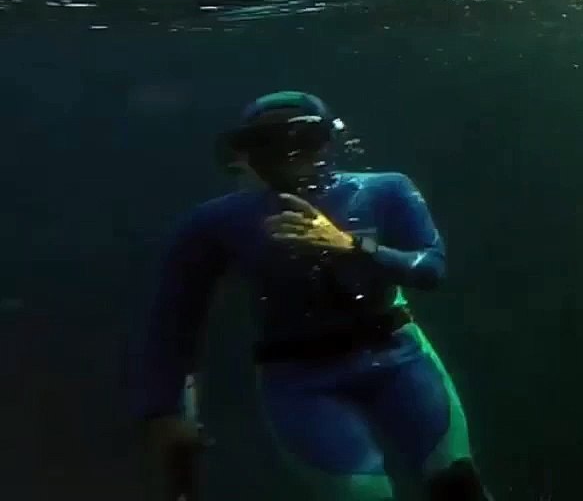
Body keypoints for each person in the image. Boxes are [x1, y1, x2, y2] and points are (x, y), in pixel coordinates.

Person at [129, 91, 493, 501]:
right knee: (364, 496)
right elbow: (175, 320)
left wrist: (349, 245)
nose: (288, 153)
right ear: (246, 153)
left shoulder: (385, 190)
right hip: (300, 378)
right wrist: (165, 410)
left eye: (303, 138)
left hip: (394, 356)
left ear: (328, 141)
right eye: (270, 142)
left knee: (456, 485)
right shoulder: (215, 223)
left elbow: (431, 269)